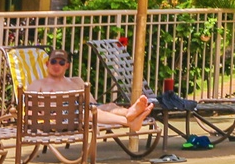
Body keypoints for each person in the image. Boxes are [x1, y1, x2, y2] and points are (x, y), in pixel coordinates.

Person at [26, 49, 154, 132]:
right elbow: (29, 109)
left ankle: (130, 113)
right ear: (47, 64)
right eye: (53, 62)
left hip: (82, 111)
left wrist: (102, 108)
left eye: (61, 62)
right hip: (59, 118)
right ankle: (129, 122)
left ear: (67, 65)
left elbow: (93, 104)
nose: (57, 65)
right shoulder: (39, 84)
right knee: (87, 112)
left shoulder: (76, 81)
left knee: (109, 106)